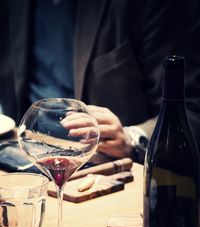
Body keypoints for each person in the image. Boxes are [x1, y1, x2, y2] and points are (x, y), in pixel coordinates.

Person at [0, 0, 200, 163]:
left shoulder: (146, 6)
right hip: (22, 154)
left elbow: (191, 108)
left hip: (108, 166)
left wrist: (133, 139)